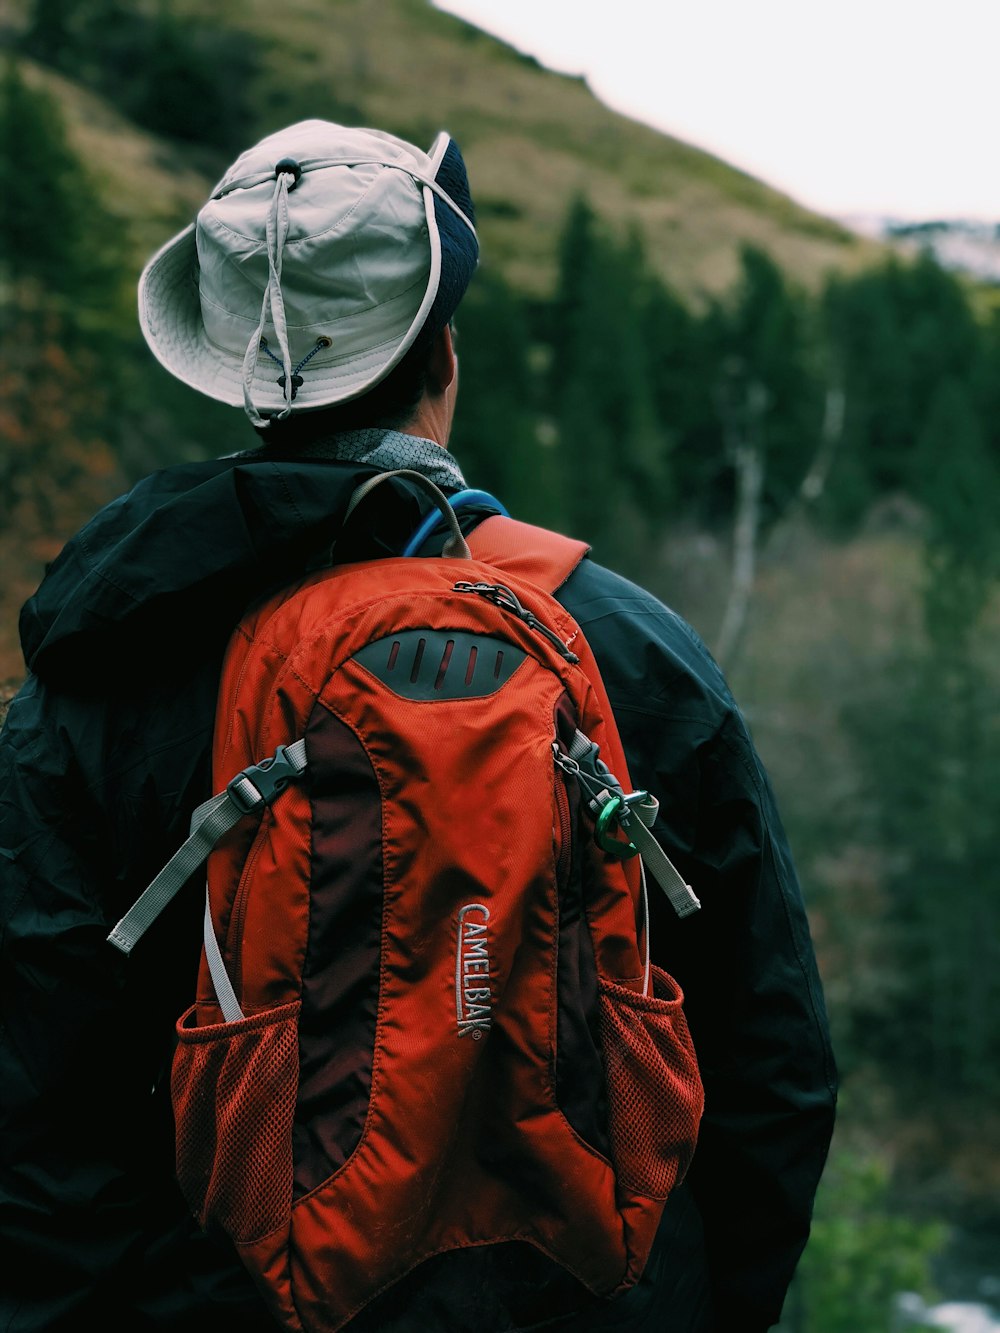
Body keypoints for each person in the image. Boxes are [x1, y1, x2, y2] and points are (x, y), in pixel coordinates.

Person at [0, 118, 837, 1332]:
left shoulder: (98, 674)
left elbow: (33, 1101)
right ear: (442, 353)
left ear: (236, 370)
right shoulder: (626, 645)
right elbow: (775, 1064)